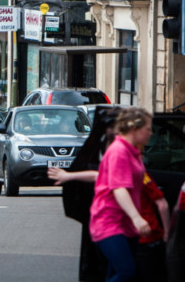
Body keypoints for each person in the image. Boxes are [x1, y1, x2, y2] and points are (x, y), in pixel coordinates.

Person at [49, 167, 170, 282]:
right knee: (133, 274)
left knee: (117, 272)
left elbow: (95, 175)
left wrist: (68, 176)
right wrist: (167, 233)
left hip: (119, 235)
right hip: (145, 237)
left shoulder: (114, 175)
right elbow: (162, 204)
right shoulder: (140, 175)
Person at [89, 107, 154, 282]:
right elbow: (119, 188)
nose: (151, 133)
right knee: (126, 272)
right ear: (134, 129)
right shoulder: (119, 151)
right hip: (109, 221)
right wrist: (137, 218)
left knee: (115, 273)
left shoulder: (134, 151)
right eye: (147, 128)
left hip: (124, 223)